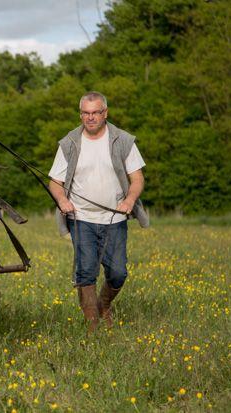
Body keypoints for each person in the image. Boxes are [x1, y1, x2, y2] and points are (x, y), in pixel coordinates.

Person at [48, 91, 149, 332]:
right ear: (81, 114)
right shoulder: (69, 143)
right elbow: (55, 181)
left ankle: (104, 305)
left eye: (95, 112)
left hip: (114, 217)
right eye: (86, 113)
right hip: (80, 217)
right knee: (85, 271)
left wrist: (129, 200)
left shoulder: (122, 140)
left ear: (105, 113)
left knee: (118, 272)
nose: (90, 117)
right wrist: (62, 200)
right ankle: (93, 327)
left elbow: (137, 179)